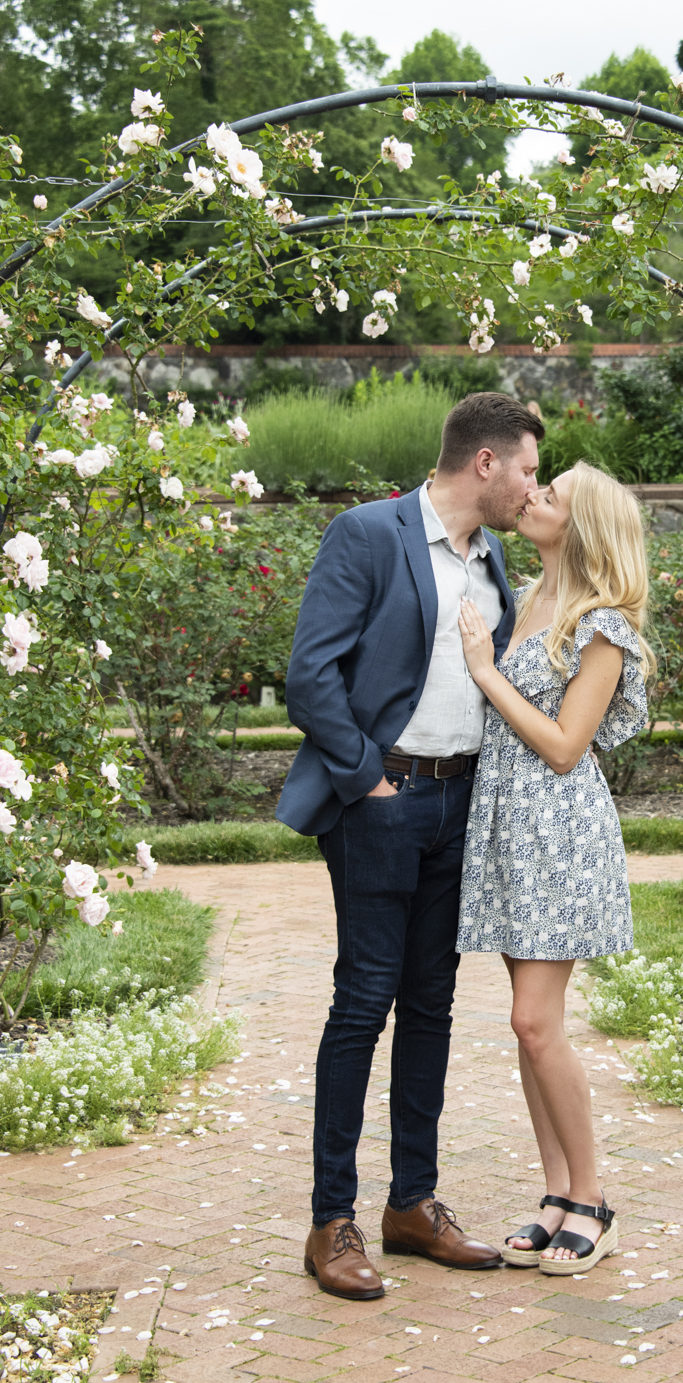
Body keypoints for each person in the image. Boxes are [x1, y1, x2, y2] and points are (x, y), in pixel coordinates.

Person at [277, 392, 545, 1300]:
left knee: (431, 1006)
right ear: (485, 463)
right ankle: (331, 1222)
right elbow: (309, 674)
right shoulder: (367, 534)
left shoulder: (491, 556)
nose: (530, 487)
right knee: (363, 1004)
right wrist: (368, 779)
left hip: (458, 804)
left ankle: (412, 1207)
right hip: (379, 803)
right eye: (528, 470)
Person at [456, 460, 654, 1275]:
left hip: (559, 837)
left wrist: (483, 671)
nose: (532, 496)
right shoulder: (527, 596)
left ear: (582, 528)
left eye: (551, 495)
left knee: (534, 1023)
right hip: (508, 825)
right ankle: (555, 1194)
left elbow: (567, 748)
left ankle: (594, 1199)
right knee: (529, 1025)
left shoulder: (601, 625)